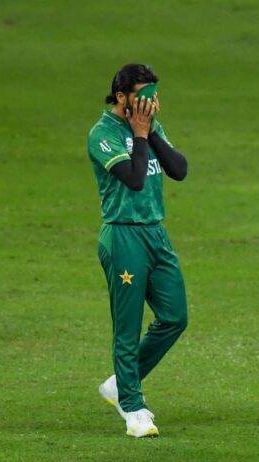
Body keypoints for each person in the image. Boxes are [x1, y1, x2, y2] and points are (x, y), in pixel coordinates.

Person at [87, 64, 189, 438]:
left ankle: (119, 384)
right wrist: (140, 135)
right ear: (121, 96)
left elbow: (179, 170)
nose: (149, 103)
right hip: (123, 236)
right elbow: (133, 179)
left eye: (153, 95)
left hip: (155, 234)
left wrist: (149, 133)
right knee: (126, 328)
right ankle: (132, 407)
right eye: (142, 96)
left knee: (175, 316)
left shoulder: (149, 125)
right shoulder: (101, 133)